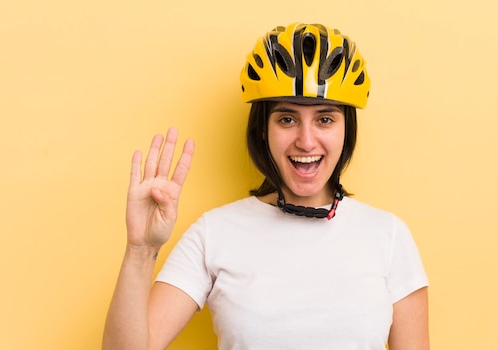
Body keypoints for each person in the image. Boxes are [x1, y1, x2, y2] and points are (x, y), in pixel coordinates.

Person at [103, 22, 429, 350]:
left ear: (347, 130)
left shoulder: (388, 236)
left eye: (325, 119)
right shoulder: (213, 233)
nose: (305, 140)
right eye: (286, 119)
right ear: (263, 129)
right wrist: (140, 251)